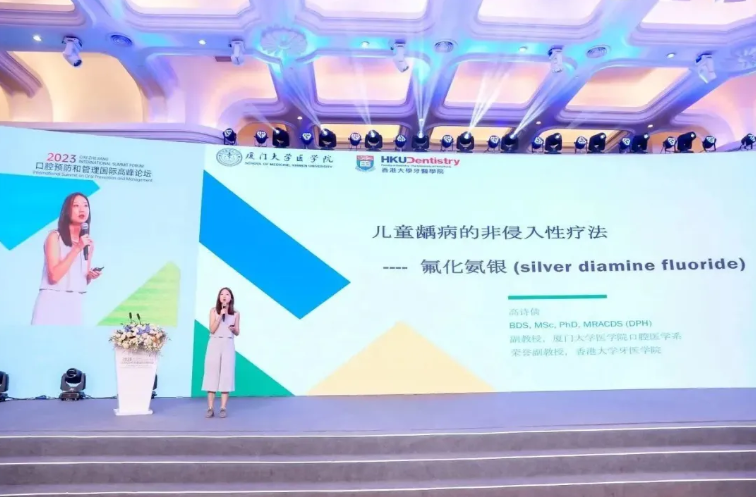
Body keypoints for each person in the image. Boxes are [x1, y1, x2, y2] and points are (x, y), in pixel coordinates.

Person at [31, 192, 102, 325]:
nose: (82, 209)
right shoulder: (55, 237)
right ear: (67, 211)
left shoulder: (88, 244)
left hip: (75, 302)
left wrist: (90, 276)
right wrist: (77, 248)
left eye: (85, 205)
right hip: (51, 300)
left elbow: (82, 280)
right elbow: (54, 277)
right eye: (76, 205)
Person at [203, 287, 240, 418]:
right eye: (222, 294)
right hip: (214, 343)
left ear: (231, 298)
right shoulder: (213, 311)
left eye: (227, 294)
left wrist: (234, 329)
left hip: (228, 343)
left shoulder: (236, 313)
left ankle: (223, 407)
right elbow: (212, 329)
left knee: (226, 375)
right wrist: (220, 316)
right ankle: (210, 408)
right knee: (212, 374)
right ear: (219, 298)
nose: (224, 296)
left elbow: (237, 332)